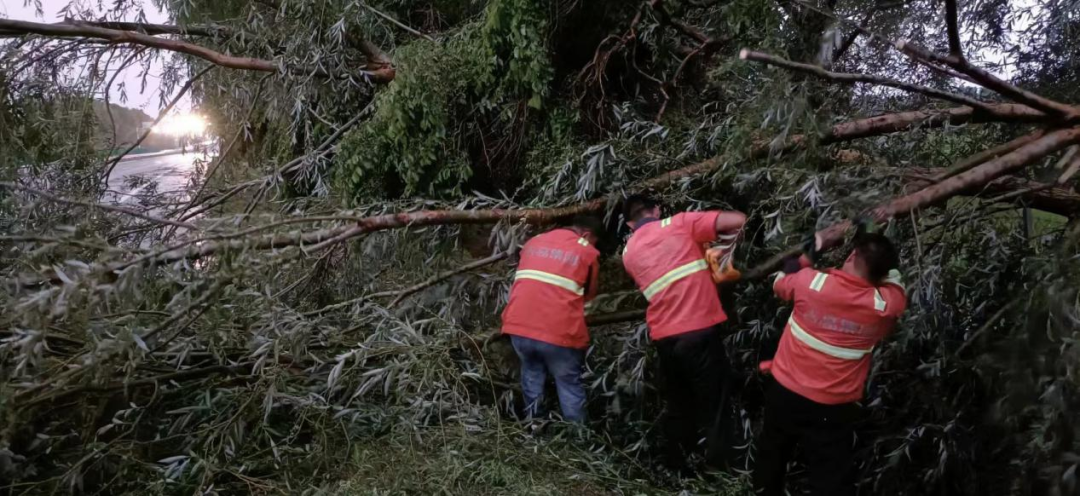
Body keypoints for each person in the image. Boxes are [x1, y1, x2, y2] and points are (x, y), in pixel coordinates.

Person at [754, 228, 908, 496]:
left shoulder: (811, 283)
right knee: (829, 474)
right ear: (881, 275)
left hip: (786, 392)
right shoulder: (883, 307)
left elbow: (780, 281)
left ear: (852, 256)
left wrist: (810, 251)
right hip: (832, 406)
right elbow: (897, 285)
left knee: (772, 456)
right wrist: (887, 270)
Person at [620, 194, 747, 468]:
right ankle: (722, 472)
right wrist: (723, 252)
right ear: (657, 210)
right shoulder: (680, 223)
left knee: (680, 405)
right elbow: (737, 220)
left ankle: (676, 468)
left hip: (664, 338)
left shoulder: (628, 254)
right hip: (698, 330)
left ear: (630, 224)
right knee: (716, 405)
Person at [501, 215, 603, 423]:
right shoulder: (587, 251)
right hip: (558, 333)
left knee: (531, 377)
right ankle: (578, 439)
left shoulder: (534, 242)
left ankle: (534, 429)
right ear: (586, 235)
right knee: (568, 383)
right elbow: (588, 296)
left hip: (519, 327)